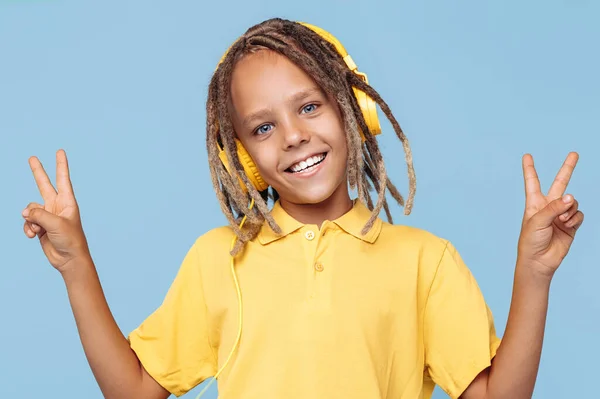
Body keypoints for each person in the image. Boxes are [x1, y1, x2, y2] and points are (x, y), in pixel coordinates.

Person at [21, 18, 584, 399]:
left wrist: (534, 275)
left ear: (353, 109)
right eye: (263, 127)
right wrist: (76, 267)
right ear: (242, 156)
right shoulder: (218, 258)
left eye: (309, 106)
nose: (292, 137)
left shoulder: (424, 261)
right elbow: (138, 390)